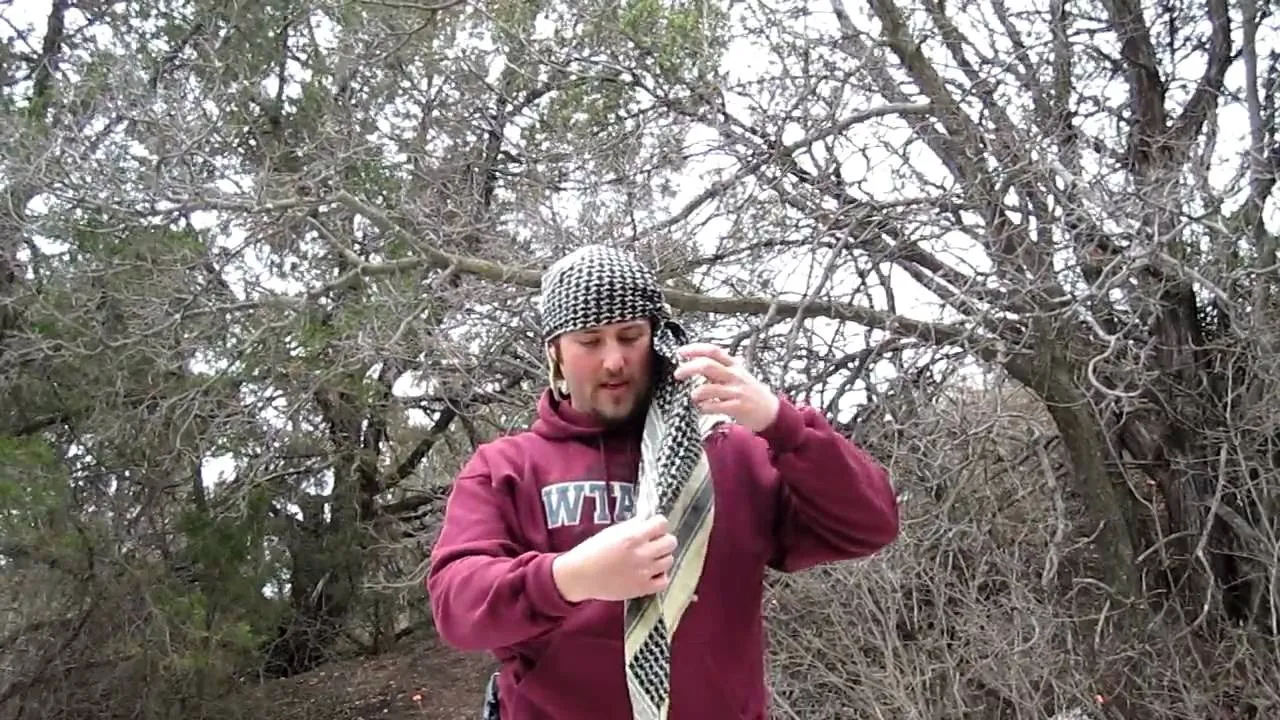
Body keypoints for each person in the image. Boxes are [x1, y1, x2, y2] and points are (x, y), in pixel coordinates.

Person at [426, 245, 899, 720]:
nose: (614, 361)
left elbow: (870, 524)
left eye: (630, 336)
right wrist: (569, 577)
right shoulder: (507, 468)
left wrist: (782, 423)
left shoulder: (727, 454)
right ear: (556, 353)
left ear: (656, 340)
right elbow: (456, 605)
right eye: (590, 341)